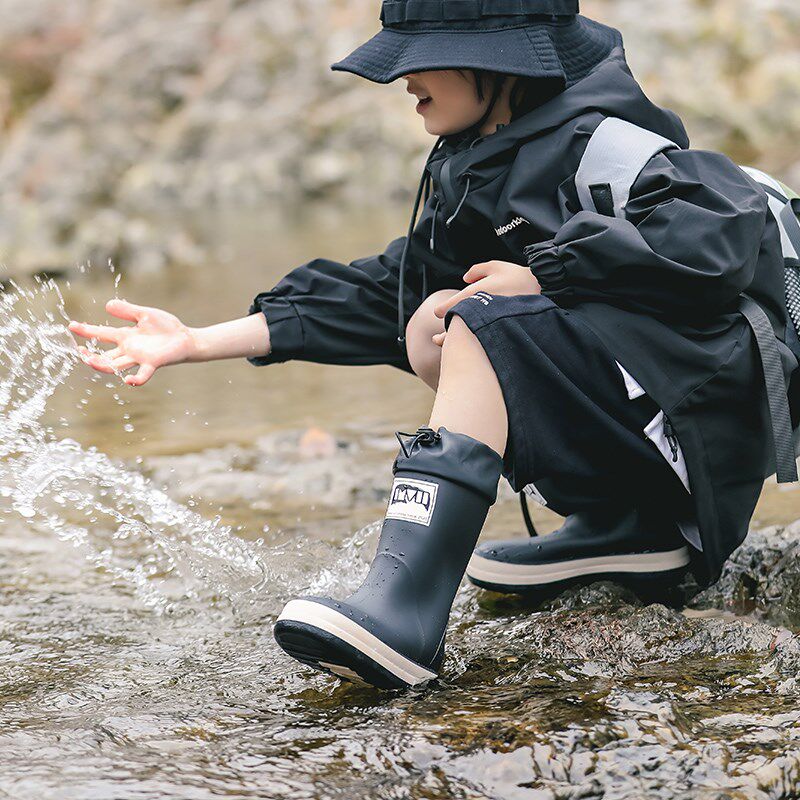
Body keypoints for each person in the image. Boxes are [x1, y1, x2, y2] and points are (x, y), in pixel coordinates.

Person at [69, 0, 791, 690]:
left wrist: (545, 274)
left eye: (428, 60)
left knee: (476, 317)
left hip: (703, 432)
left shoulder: (604, 144)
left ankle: (405, 616)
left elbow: (720, 233)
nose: (403, 79)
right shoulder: (483, 167)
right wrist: (196, 341)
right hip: (647, 437)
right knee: (434, 323)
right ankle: (626, 528)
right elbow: (386, 293)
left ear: (504, 67)